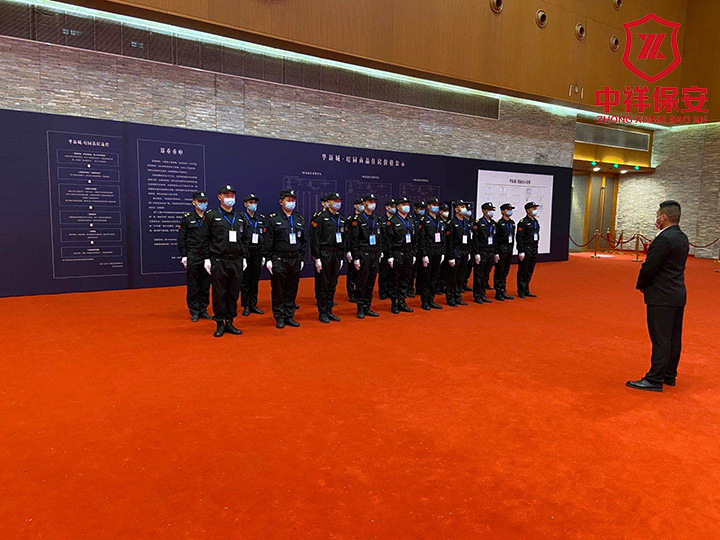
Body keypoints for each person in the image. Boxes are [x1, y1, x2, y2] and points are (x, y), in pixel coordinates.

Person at [627, 200, 689, 392]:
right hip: (677, 293)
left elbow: (650, 266)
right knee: (673, 337)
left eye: (657, 215)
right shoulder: (682, 237)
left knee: (660, 338)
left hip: (661, 295)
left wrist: (641, 285)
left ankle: (654, 379)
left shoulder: (663, 239)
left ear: (663, 217)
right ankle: (669, 375)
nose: (656, 218)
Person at [200, 185, 248, 337]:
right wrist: (206, 258)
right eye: (227, 195)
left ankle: (230, 321)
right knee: (219, 292)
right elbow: (205, 239)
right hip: (219, 260)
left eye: (232, 195)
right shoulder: (211, 216)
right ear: (219, 197)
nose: (230, 198)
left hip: (236, 260)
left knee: (233, 292)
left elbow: (245, 238)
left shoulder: (240, 216)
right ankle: (220, 323)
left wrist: (244, 257)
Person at [263, 189, 306, 329]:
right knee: (278, 289)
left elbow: (303, 241)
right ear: (281, 201)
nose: (291, 203)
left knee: (291, 289)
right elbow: (268, 240)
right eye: (288, 200)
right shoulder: (273, 219)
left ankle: (289, 315)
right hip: (279, 259)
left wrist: (301, 257)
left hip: (295, 259)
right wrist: (268, 259)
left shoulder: (299, 219)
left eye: (293, 200)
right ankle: (279, 317)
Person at [177, 191, 212, 322]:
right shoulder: (187, 218)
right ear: (194, 202)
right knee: (193, 285)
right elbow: (182, 238)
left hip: (207, 256)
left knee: (205, 285)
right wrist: (184, 255)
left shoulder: (210, 218)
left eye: (205, 201)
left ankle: (204, 310)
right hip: (193, 254)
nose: (203, 204)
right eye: (200, 201)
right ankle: (194, 311)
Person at [310, 193, 345, 323]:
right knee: (323, 284)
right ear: (328, 202)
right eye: (335, 201)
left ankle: (329, 310)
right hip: (324, 253)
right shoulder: (320, 218)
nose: (337, 203)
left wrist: (341, 256)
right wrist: (317, 258)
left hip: (336, 254)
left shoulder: (341, 219)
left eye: (339, 200)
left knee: (332, 283)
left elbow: (344, 239)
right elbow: (315, 239)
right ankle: (322, 312)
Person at [349, 193, 382, 319]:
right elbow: (354, 240)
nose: (372, 204)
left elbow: (380, 237)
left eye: (374, 202)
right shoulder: (358, 219)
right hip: (363, 253)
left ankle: (367, 306)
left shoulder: (376, 218)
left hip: (374, 253)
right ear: (364, 203)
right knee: (361, 282)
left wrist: (380, 251)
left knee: (371, 281)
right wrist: (356, 258)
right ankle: (360, 307)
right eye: (370, 202)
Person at [384, 197, 416, 314]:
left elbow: (415, 238)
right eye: (403, 204)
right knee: (395, 279)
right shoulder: (392, 221)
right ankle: (394, 303)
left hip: (408, 253)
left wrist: (414, 253)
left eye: (407, 204)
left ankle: (402, 302)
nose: (406, 206)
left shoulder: (410, 220)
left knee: (405, 279)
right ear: (398, 207)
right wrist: (390, 255)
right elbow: (388, 241)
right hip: (397, 253)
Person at [240, 193, 266, 316]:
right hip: (246, 251)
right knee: (245, 280)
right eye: (251, 203)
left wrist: (264, 255)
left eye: (255, 203)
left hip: (257, 252)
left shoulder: (260, 219)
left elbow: (264, 237)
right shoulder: (241, 218)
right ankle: (245, 305)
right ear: (245, 204)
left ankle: (253, 304)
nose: (253, 205)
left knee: (255, 279)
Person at [417, 198, 445, 310]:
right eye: (434, 205)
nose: (436, 207)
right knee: (426, 277)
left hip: (438, 251)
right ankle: (424, 301)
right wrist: (424, 254)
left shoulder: (440, 220)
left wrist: (443, 252)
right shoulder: (424, 220)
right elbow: (422, 239)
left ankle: (431, 299)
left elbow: (443, 238)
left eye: (437, 205)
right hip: (428, 251)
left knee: (434, 277)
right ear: (428, 206)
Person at [445, 200, 472, 307]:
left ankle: (458, 296)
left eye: (464, 206)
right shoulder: (451, 223)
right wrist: (451, 256)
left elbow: (469, 239)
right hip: (455, 251)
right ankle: (450, 297)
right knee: (453, 276)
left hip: (464, 251)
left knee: (461, 276)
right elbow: (449, 242)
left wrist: (468, 252)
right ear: (456, 209)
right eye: (461, 206)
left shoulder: (466, 222)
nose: (464, 208)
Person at [471, 202, 496, 304]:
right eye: (489, 210)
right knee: (479, 275)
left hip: (490, 251)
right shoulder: (478, 223)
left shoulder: (493, 223)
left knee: (486, 274)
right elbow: (475, 239)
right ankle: (477, 295)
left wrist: (495, 252)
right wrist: (476, 253)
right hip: (481, 252)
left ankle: (483, 294)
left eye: (492, 210)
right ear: (484, 211)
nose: (491, 212)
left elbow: (495, 239)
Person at [516, 202, 541, 299]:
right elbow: (519, 237)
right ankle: (521, 290)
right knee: (523, 270)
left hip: (534, 248)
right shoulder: (523, 222)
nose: (535, 210)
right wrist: (521, 250)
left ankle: (526, 288)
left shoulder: (535, 221)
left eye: (535, 208)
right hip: (526, 248)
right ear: (527, 210)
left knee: (530, 270)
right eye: (533, 208)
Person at [494, 203, 516, 301]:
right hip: (501, 249)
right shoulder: (499, 223)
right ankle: (498, 291)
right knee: (499, 270)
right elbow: (496, 239)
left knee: (505, 271)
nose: (510, 211)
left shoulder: (512, 223)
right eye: (508, 209)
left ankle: (503, 289)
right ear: (502, 211)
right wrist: (496, 252)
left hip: (509, 249)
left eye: (511, 209)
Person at [345, 198, 364, 303]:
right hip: (353, 249)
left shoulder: (365, 219)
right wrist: (348, 251)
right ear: (355, 206)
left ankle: (359, 293)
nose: (362, 206)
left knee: (361, 274)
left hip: (362, 250)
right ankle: (351, 293)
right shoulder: (350, 219)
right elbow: (348, 236)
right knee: (352, 273)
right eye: (360, 204)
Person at [378, 199, 396, 300]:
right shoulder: (381, 220)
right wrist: (380, 250)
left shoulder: (396, 220)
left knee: (393, 272)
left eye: (394, 206)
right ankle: (383, 292)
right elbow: (379, 236)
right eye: (391, 206)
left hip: (394, 249)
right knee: (384, 272)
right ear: (386, 207)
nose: (393, 208)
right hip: (384, 249)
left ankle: (391, 290)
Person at [407, 201, 426, 297]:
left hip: (422, 247)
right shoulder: (411, 219)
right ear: (415, 209)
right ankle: (409, 289)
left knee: (422, 270)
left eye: (423, 208)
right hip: (413, 248)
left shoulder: (425, 219)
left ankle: (420, 288)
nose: (422, 210)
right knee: (412, 271)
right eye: (420, 208)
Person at [436, 203, 451, 295]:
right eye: (445, 211)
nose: (446, 212)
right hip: (439, 248)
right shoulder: (437, 221)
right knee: (439, 270)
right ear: (440, 212)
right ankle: (437, 287)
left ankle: (442, 285)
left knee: (446, 269)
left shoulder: (448, 223)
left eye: (447, 211)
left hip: (447, 249)